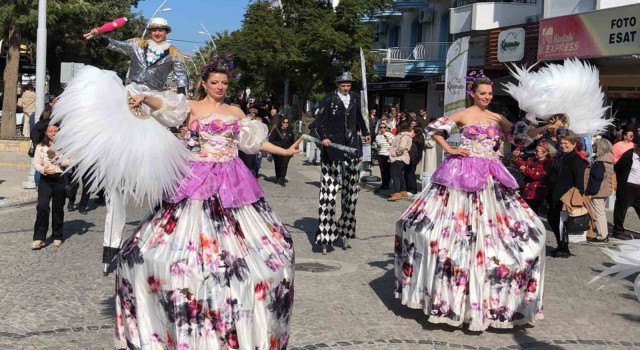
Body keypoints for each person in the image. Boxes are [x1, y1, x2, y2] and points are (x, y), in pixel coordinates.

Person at [112, 59, 300, 348]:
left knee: (250, 242)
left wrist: (284, 150)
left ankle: (233, 301)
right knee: (173, 237)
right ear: (204, 84)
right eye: (214, 83)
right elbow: (163, 108)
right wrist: (144, 97)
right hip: (197, 175)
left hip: (231, 176)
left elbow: (252, 143)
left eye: (224, 83)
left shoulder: (235, 111)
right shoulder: (191, 107)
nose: (220, 88)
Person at [394, 76, 558, 331]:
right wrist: (450, 149)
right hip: (463, 174)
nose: (487, 97)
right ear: (473, 93)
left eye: (489, 93)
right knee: (457, 233)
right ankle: (452, 294)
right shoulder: (462, 114)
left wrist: (546, 127)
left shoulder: (496, 117)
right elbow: (433, 129)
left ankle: (485, 295)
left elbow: (519, 136)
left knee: (512, 232)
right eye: (483, 93)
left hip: (491, 176)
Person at [83, 17, 189, 274]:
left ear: (167, 32)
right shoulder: (136, 45)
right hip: (128, 99)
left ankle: (160, 240)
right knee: (115, 187)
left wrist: (182, 114)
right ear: (150, 31)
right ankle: (111, 248)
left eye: (162, 29)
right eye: (155, 29)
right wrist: (98, 34)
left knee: (160, 178)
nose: (158, 33)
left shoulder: (174, 56)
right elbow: (113, 44)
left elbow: (182, 85)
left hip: (153, 102)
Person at [313, 72, 370, 254]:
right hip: (333, 148)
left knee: (351, 193)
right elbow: (317, 123)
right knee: (329, 194)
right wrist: (324, 138)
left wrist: (366, 131)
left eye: (348, 85)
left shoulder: (354, 98)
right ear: (337, 84)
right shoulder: (328, 99)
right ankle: (326, 235)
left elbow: (359, 118)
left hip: (352, 148)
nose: (346, 88)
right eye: (343, 85)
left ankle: (345, 230)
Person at [547, 134, 588, 257]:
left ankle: (563, 247)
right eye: (562, 143)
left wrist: (576, 199)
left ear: (574, 144)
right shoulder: (562, 157)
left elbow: (579, 182)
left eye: (566, 143)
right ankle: (561, 245)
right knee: (554, 220)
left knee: (562, 223)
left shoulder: (576, 160)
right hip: (555, 195)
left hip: (565, 197)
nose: (563, 145)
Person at [32, 124, 70, 249]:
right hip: (46, 179)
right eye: (50, 131)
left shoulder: (65, 145)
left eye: (55, 131)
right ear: (46, 133)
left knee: (58, 208)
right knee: (42, 206)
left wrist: (59, 159)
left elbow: (70, 161)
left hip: (59, 179)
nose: (53, 133)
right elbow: (36, 163)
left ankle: (57, 235)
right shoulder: (40, 146)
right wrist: (43, 169)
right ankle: (39, 237)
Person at [585, 138, 614, 243]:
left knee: (598, 213)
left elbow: (595, 179)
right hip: (603, 190)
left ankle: (602, 235)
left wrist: (590, 193)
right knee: (600, 212)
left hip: (598, 191)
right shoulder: (608, 160)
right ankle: (603, 234)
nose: (593, 147)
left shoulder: (600, 162)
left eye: (595, 145)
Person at [512, 143, 555, 213]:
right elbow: (522, 164)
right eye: (535, 150)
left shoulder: (547, 162)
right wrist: (516, 157)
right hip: (527, 190)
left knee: (532, 213)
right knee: (524, 212)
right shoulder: (533, 160)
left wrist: (525, 169)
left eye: (537, 151)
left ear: (545, 152)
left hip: (536, 192)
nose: (535, 152)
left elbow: (536, 175)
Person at [612, 140, 640, 240]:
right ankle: (618, 230)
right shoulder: (628, 156)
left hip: (639, 187)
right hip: (627, 187)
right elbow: (618, 169)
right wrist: (621, 183)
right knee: (621, 209)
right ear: (636, 147)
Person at [387, 121, 412, 201]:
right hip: (401, 158)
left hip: (398, 158)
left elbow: (401, 147)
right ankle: (403, 191)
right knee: (400, 175)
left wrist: (394, 153)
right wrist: (389, 141)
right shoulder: (404, 135)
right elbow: (397, 144)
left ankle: (396, 193)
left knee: (395, 175)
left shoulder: (404, 136)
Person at [270, 117, 296, 186]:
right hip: (277, 150)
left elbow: (292, 142)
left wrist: (292, 151)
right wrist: (279, 144)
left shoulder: (291, 131)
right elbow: (271, 140)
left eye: (287, 122)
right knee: (278, 164)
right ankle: (277, 177)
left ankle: (282, 179)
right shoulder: (276, 130)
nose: (285, 124)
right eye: (284, 122)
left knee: (284, 165)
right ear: (281, 123)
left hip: (287, 151)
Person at [374, 122, 394, 192]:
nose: (382, 129)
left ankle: (387, 185)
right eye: (381, 127)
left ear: (386, 128)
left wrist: (389, 141)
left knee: (387, 170)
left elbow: (394, 143)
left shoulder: (390, 135)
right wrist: (377, 147)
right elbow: (376, 146)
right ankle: (384, 184)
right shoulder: (377, 136)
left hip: (387, 154)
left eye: (384, 127)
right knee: (382, 170)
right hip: (380, 154)